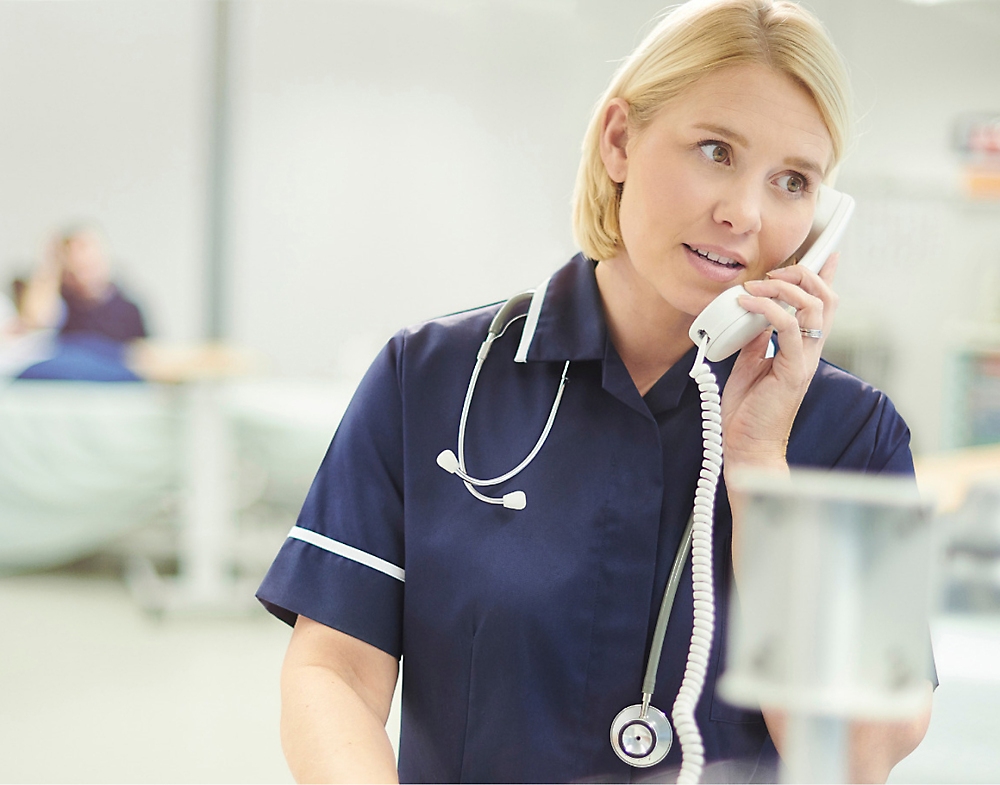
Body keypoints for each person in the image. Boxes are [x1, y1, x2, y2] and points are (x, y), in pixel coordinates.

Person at [257, 1, 933, 782]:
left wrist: (760, 469)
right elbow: (333, 670)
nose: (743, 212)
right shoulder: (434, 377)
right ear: (619, 140)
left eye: (792, 181)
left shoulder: (854, 432)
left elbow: (860, 755)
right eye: (715, 150)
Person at [15, 225, 148, 381]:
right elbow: (36, 320)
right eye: (72, 252)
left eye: (85, 250)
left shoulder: (128, 308)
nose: (80, 259)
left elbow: (142, 355)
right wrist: (51, 265)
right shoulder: (59, 300)